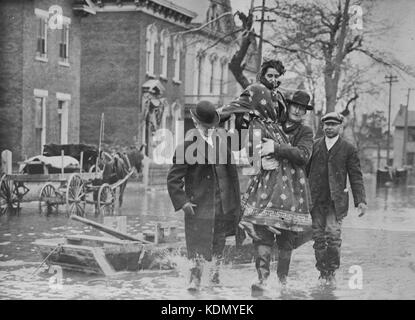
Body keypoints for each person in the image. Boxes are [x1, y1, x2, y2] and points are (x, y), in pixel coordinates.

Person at [219, 60, 313, 293]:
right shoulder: (273, 121)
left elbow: (303, 155)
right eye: (295, 107)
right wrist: (258, 153)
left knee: (286, 236)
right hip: (268, 182)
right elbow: (249, 126)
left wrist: (276, 148)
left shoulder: (306, 132)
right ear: (287, 107)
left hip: (292, 188)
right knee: (261, 230)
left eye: (302, 109)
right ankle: (262, 279)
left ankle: (281, 282)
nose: (297, 111)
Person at [167, 100, 242, 291]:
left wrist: (236, 203)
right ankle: (195, 279)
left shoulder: (223, 144)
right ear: (194, 121)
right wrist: (183, 203)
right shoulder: (185, 147)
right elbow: (173, 180)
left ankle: (215, 277)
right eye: (204, 126)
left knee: (219, 243)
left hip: (223, 205)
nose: (208, 130)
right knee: (196, 244)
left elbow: (232, 175)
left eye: (211, 126)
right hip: (198, 206)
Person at [306, 112, 367, 287]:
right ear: (322, 126)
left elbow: (356, 176)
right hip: (316, 200)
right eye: (327, 124)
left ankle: (331, 270)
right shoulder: (314, 146)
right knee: (318, 237)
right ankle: (323, 273)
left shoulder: (348, 149)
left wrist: (360, 200)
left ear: (340, 127)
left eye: (333, 124)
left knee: (332, 235)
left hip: (336, 201)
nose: (329, 127)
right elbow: (304, 172)